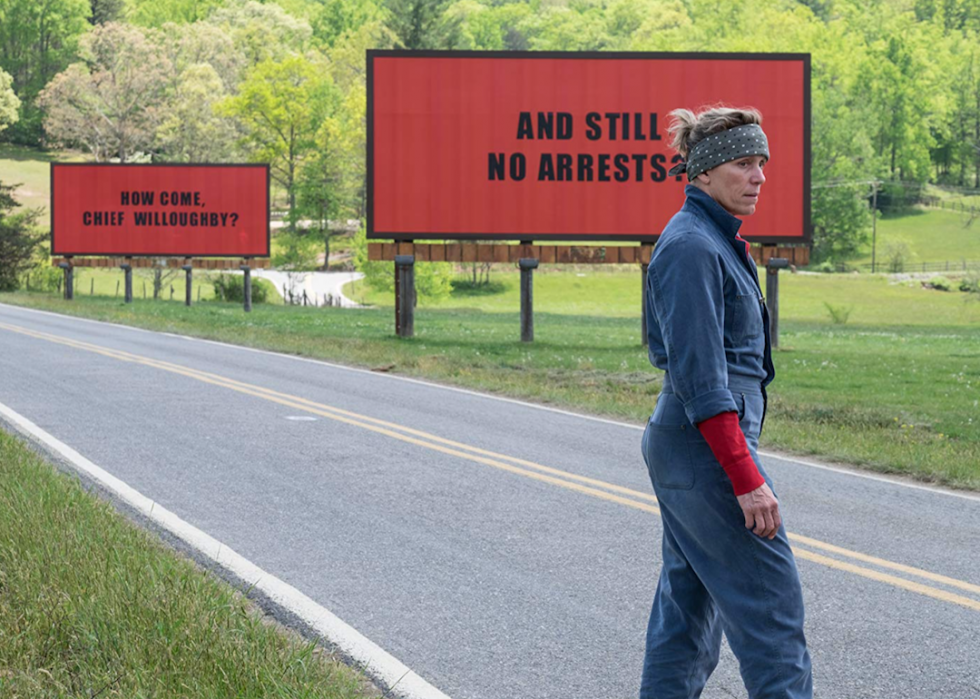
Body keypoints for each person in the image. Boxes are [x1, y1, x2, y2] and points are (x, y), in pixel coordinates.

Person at [640, 106, 813, 698]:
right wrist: (745, 476)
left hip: (696, 446)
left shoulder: (712, 240)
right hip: (704, 447)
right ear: (704, 173)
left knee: (688, 613)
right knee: (771, 613)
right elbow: (702, 379)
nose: (759, 176)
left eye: (762, 163)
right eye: (744, 163)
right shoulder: (691, 247)